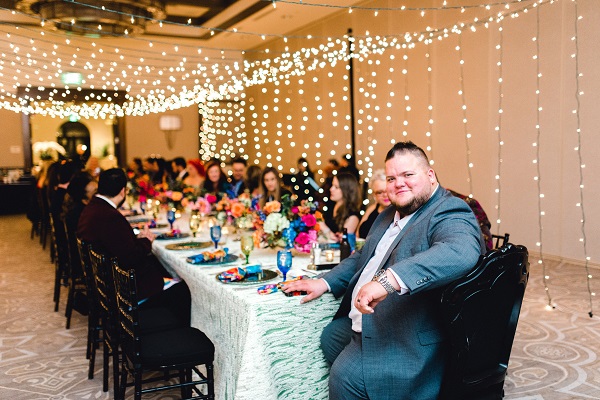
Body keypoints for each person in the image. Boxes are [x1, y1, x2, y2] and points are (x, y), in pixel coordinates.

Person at [283, 141, 485, 400]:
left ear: (430, 175)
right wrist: (324, 283)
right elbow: (362, 257)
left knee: (344, 377)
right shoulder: (389, 213)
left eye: (408, 175)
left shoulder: (448, 210)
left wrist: (388, 280)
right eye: (392, 178)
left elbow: (460, 251)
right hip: (367, 317)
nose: (398, 183)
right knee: (330, 337)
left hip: (406, 332)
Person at [77, 168, 191, 325]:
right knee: (182, 289)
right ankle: (172, 338)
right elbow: (131, 256)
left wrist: (136, 239)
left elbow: (117, 244)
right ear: (123, 191)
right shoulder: (110, 216)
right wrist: (146, 241)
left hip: (107, 283)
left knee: (161, 268)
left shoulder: (92, 208)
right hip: (123, 291)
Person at [321, 172, 361, 241]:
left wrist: (323, 226)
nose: (331, 189)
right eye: (332, 185)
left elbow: (344, 242)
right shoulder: (331, 205)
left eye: (336, 187)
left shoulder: (353, 215)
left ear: (346, 190)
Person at [357, 169, 391, 239]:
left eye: (387, 191)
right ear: (374, 195)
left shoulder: (399, 212)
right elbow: (357, 234)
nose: (384, 195)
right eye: (379, 192)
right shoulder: (372, 208)